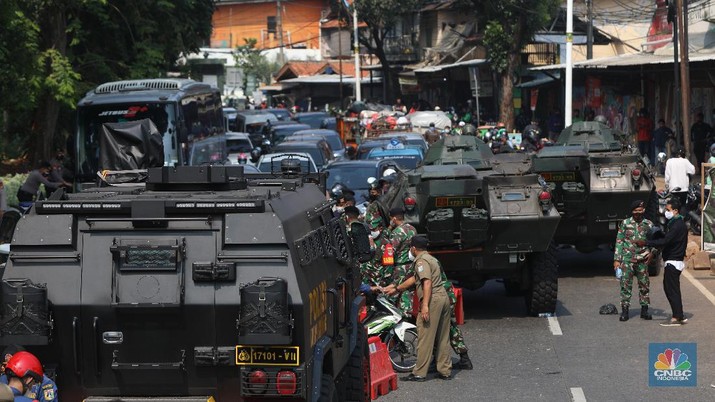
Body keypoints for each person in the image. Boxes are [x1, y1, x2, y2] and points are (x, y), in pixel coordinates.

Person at [385, 235, 451, 381]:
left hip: (433, 300)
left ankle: (419, 373)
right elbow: (415, 279)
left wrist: (425, 305)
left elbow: (426, 283)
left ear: (414, 248)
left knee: (425, 336)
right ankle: (444, 370)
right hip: (443, 298)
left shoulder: (421, 261)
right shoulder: (431, 259)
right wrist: (397, 288)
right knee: (442, 336)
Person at [641, 198, 689, 326]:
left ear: (675, 210)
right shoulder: (675, 223)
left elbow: (665, 241)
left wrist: (646, 242)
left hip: (673, 262)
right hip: (673, 261)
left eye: (668, 210)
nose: (666, 212)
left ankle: (676, 317)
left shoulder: (677, 225)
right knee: (672, 289)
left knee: (671, 290)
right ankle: (679, 315)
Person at [613, 200, 654, 321]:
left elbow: (655, 241)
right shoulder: (625, 223)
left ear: (643, 211)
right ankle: (625, 310)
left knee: (644, 285)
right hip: (627, 260)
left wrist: (652, 253)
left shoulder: (649, 224)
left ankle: (644, 310)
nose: (638, 213)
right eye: (636, 211)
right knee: (625, 285)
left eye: (640, 211)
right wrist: (617, 260)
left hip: (642, 260)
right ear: (632, 211)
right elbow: (619, 241)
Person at [386, 207, 417, 317]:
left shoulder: (397, 232)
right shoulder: (412, 229)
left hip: (400, 267)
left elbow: (391, 251)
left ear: (394, 219)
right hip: (412, 265)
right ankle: (408, 312)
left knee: (396, 291)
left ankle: (398, 315)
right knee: (408, 290)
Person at [664, 147, 695, 212]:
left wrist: (667, 186)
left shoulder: (669, 161)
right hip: (683, 189)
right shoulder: (685, 161)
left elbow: (667, 176)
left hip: (673, 189)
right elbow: (693, 171)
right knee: (683, 205)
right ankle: (682, 219)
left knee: (673, 207)